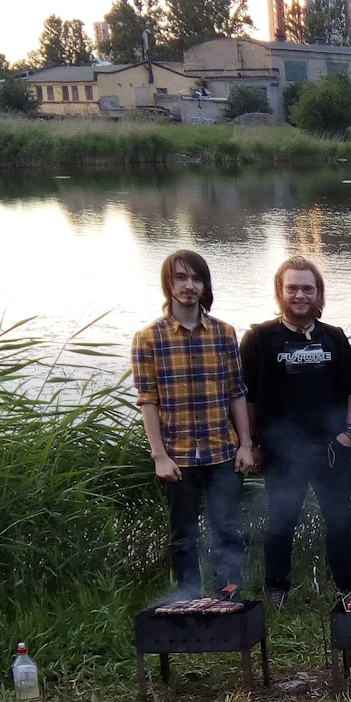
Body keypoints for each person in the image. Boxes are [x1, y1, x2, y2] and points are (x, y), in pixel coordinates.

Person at [132, 248, 255, 598]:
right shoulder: (148, 338)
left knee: (227, 531)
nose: (189, 285)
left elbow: (237, 391)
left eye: (196, 278)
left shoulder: (224, 333)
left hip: (221, 453)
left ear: (205, 285)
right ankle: (190, 601)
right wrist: (159, 456)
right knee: (184, 535)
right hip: (178, 456)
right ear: (168, 284)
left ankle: (228, 599)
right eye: (181, 278)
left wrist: (245, 444)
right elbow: (148, 400)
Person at [240, 256, 351, 609]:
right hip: (281, 450)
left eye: (307, 288)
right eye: (292, 287)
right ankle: (277, 587)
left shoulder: (334, 338)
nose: (300, 295)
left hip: (331, 448)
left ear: (318, 293)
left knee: (339, 517)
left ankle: (347, 583)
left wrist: (349, 433)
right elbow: (246, 396)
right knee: (280, 520)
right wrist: (251, 444)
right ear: (280, 291)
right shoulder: (259, 338)